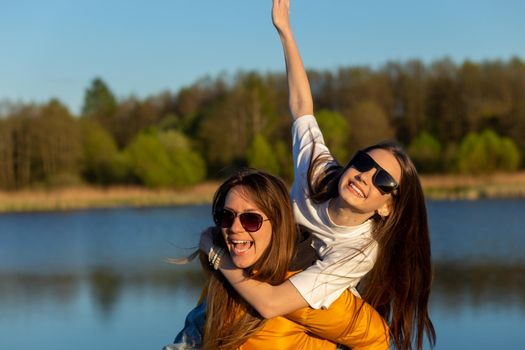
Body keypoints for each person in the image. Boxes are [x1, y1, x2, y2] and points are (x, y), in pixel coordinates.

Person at [200, 1, 436, 349]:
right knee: (210, 313)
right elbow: (301, 108)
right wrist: (285, 31)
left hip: (319, 308)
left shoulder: (358, 252)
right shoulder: (319, 171)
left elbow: (270, 304)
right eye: (363, 163)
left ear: (387, 206)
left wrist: (214, 251)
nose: (365, 176)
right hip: (279, 271)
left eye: (382, 180)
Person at [166, 168, 389, 349]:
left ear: (278, 224)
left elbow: (377, 339)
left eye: (251, 219)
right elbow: (190, 342)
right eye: (227, 216)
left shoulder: (312, 293)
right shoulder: (224, 281)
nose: (234, 228)